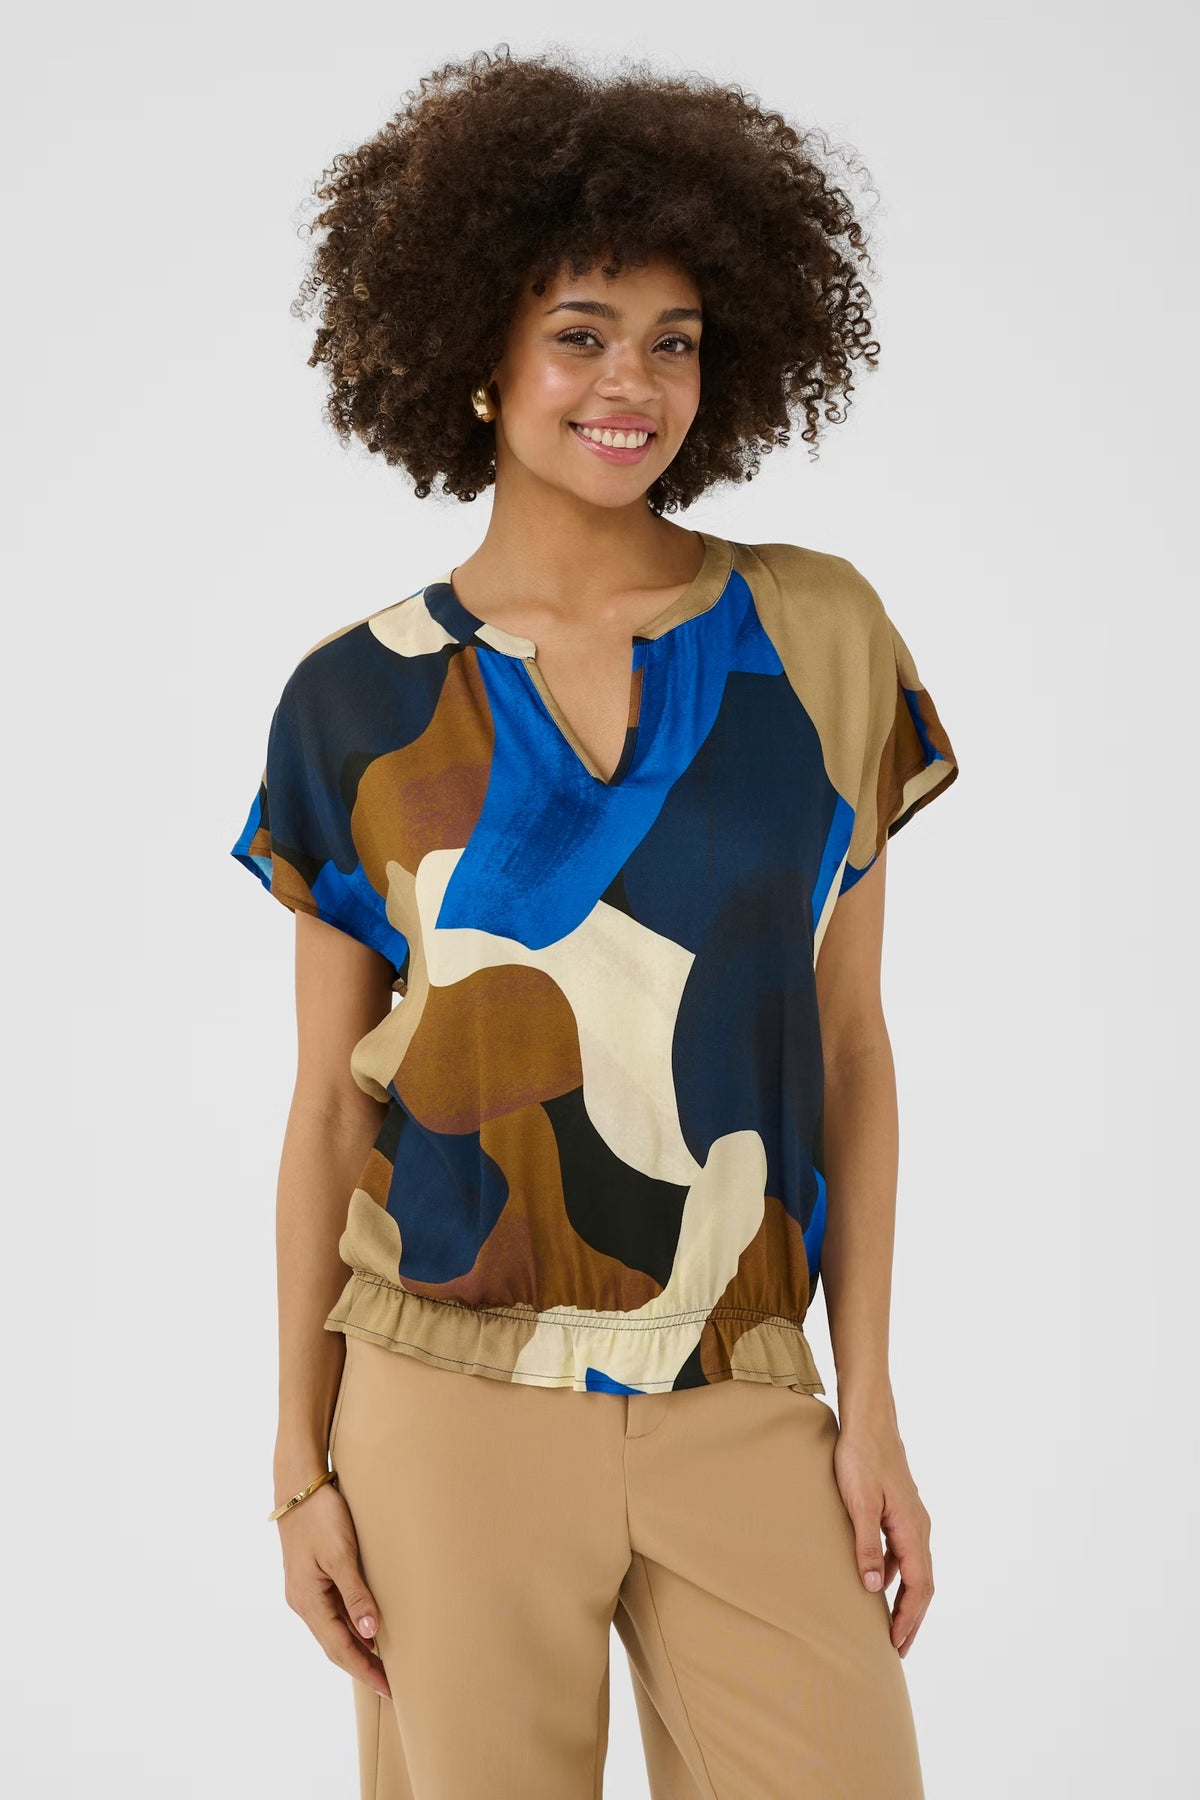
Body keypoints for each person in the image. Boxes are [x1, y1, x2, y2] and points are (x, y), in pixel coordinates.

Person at [230, 44, 960, 1800]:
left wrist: (868, 1404)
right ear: (477, 358)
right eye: (580, 333)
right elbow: (329, 1105)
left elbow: (850, 1046)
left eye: (674, 340)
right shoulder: (354, 700)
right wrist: (299, 1467)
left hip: (743, 1392)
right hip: (443, 1406)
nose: (633, 383)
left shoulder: (821, 637)